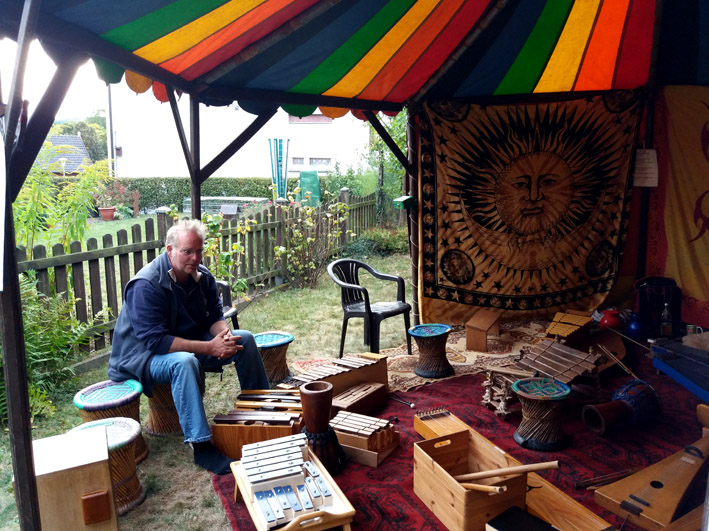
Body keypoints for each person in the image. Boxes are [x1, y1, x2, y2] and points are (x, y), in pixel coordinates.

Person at [108, 218, 269, 475]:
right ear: (170, 250)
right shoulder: (146, 284)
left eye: (199, 251)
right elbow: (156, 341)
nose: (195, 258)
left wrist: (225, 337)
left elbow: (215, 314)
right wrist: (210, 348)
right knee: (184, 362)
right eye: (187, 251)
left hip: (181, 343)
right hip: (141, 356)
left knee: (245, 339)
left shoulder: (202, 277)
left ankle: (262, 408)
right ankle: (201, 446)